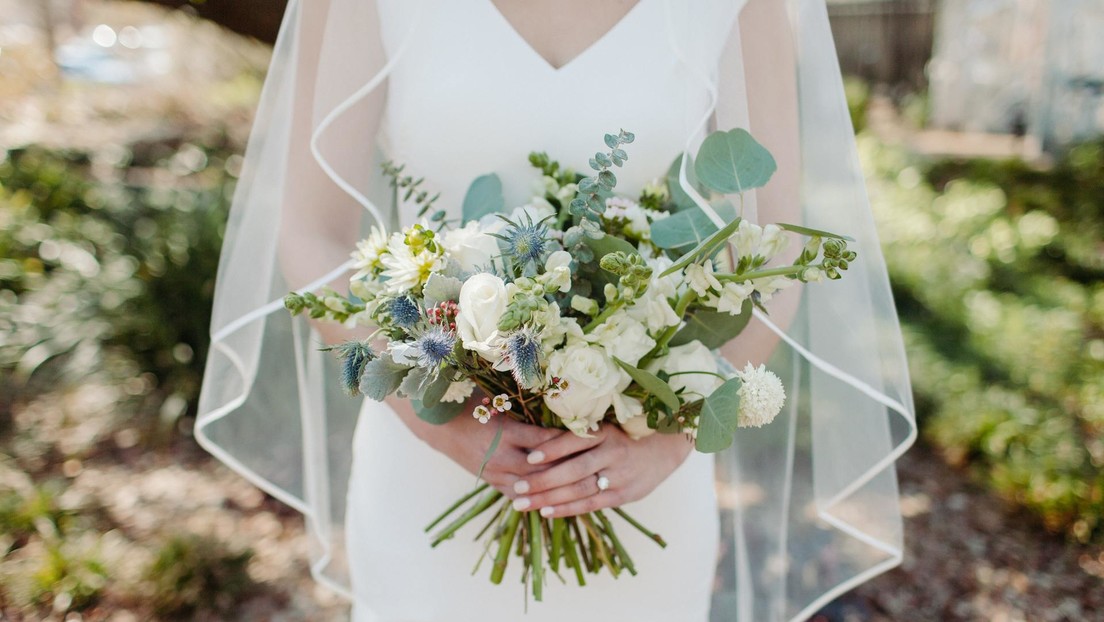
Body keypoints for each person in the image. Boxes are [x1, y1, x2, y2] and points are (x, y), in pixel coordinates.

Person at [195, 0, 918, 620]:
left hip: (637, 471)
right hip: (427, 463)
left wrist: (670, 438)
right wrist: (437, 416)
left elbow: (776, 248)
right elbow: (312, 232)